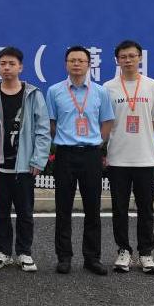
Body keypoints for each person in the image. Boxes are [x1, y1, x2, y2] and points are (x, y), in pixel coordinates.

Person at [0, 47, 50, 272]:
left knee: (25, 212)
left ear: (20, 67)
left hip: (24, 166)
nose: (6, 67)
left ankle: (24, 253)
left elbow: (43, 130)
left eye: (11, 63)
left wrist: (38, 159)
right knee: (0, 212)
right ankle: (3, 252)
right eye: (3, 63)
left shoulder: (33, 94)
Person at [46, 46, 114, 276]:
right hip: (65, 154)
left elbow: (107, 121)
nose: (76, 64)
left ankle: (92, 258)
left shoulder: (100, 92)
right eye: (72, 60)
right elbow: (51, 123)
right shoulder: (54, 91)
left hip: (91, 155)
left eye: (81, 60)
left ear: (88, 64)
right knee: (63, 208)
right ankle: (64, 257)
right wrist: (66, 139)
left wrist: (97, 143)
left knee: (92, 208)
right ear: (66, 64)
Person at [104, 40, 154, 275]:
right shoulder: (108, 88)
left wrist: (143, 140)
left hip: (145, 159)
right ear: (117, 60)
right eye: (123, 57)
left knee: (145, 208)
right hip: (117, 158)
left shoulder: (152, 86)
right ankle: (123, 251)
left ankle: (146, 253)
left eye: (132, 56)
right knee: (119, 209)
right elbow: (105, 122)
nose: (128, 60)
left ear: (140, 58)